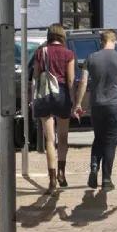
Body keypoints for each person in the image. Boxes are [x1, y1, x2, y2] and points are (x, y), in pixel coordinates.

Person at [73, 29, 117, 189]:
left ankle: (94, 168)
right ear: (115, 42)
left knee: (98, 138)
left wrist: (78, 103)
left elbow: (83, 82)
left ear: (101, 42)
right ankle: (106, 179)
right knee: (110, 140)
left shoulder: (91, 58)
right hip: (115, 104)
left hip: (97, 104)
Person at [30, 24, 75, 191]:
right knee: (63, 137)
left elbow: (35, 78)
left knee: (50, 139)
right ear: (62, 35)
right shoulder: (68, 54)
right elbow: (70, 80)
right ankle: (61, 173)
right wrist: (73, 100)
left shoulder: (40, 52)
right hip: (62, 94)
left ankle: (51, 179)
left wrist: (33, 98)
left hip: (45, 94)